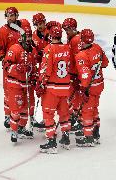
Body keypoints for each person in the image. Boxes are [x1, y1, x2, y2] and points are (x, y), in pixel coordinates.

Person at [35, 25, 71, 154]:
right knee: (64, 114)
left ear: (51, 36)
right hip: (65, 87)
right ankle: (66, 138)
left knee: (48, 114)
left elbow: (46, 69)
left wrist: (40, 83)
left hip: (52, 88)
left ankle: (51, 142)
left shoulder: (49, 49)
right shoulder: (67, 48)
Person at [0, 7, 28, 129]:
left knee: (22, 92)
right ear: (6, 16)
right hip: (10, 66)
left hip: (23, 66)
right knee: (8, 91)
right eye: (9, 15)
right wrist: (6, 63)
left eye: (13, 15)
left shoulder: (23, 27)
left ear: (17, 15)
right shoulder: (2, 31)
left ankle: (20, 115)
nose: (11, 17)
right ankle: (8, 115)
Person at [75, 29, 109, 146]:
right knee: (94, 108)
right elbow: (105, 63)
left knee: (87, 111)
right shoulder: (97, 48)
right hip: (99, 85)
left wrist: (84, 89)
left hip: (90, 87)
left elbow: (85, 75)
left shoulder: (81, 55)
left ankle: (88, 137)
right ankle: (96, 133)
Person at [3, 26, 37, 142]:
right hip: (15, 84)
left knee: (25, 110)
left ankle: (21, 128)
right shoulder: (15, 49)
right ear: (21, 37)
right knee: (16, 109)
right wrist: (18, 68)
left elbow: (33, 68)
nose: (28, 39)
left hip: (27, 85)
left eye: (29, 36)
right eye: (26, 36)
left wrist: (33, 77)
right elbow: (6, 66)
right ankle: (14, 130)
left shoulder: (32, 51)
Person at [62, 18, 82, 132]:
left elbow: (79, 60)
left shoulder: (76, 40)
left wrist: (77, 76)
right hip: (73, 74)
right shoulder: (73, 38)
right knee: (73, 98)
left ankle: (78, 120)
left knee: (75, 98)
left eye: (68, 29)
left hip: (76, 75)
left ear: (73, 28)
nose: (66, 31)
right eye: (65, 29)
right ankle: (76, 118)